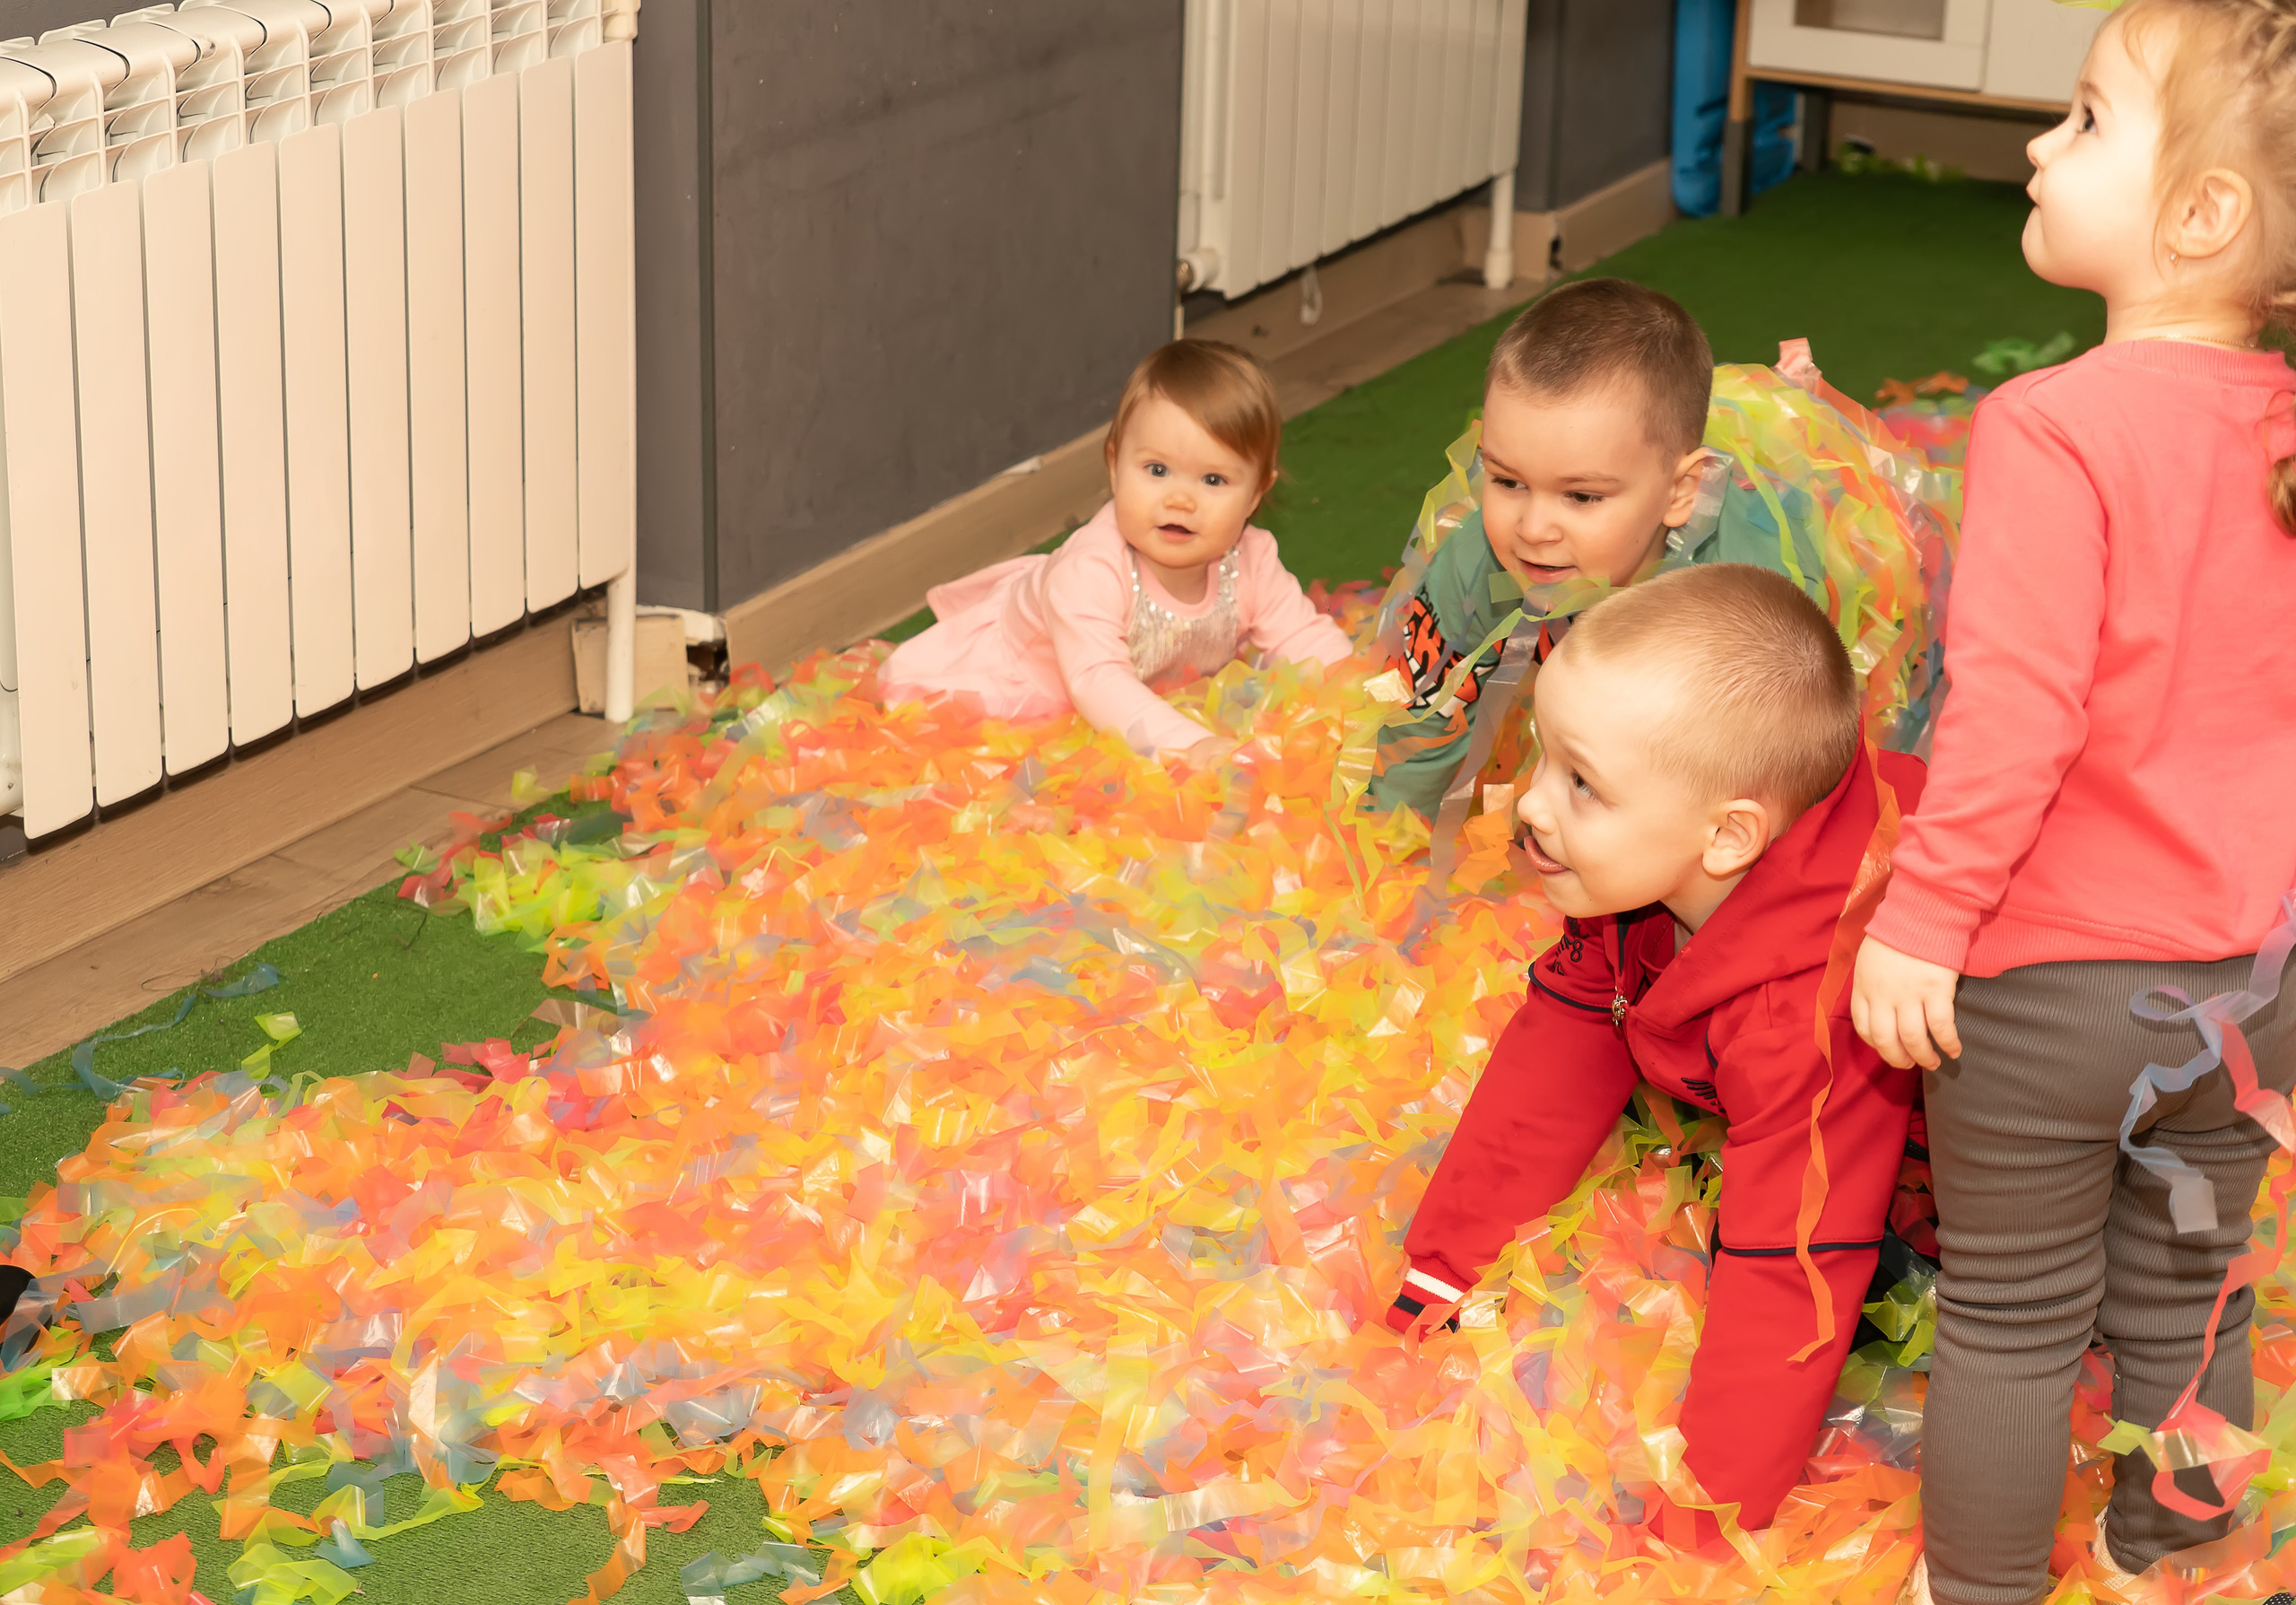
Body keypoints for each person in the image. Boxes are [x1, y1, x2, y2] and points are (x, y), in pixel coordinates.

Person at [1847, 4, 2296, 1600]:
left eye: (2087, 119)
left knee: (2016, 1316)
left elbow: (2018, 714)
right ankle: (2171, 1546)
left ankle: (1977, 1586)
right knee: (2198, 1299)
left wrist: (1923, 917)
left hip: (2051, 990)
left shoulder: (2052, 424)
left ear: (2202, 216)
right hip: (2248, 989)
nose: (2040, 145)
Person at [1387, 563, 1927, 1551]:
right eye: (1545, 759)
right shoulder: (1637, 874)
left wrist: (1709, 1519)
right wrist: (1440, 1272)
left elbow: (1792, 1265)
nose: (1532, 807)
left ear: (1726, 837)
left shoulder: (1801, 1014)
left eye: (1580, 783)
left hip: (1988, 1138)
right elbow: (1554, 1061)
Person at [880, 340, 1352, 764]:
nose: (1180, 500)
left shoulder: (1250, 558)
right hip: (1032, 686)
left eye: (1213, 480)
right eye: (1156, 469)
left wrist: (1361, 689)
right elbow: (1098, 683)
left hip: (1140, 693)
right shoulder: (1091, 572)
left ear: (1254, 496)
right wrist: (1191, 748)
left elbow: (1301, 637)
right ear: (1114, 465)